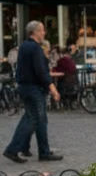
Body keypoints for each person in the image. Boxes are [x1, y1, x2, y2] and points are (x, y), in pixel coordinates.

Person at [3, 21, 62, 164]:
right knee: (33, 118)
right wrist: (52, 88)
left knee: (38, 119)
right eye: (42, 30)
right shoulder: (35, 48)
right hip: (34, 88)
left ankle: (43, 151)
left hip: (25, 87)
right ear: (34, 32)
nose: (44, 33)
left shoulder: (24, 46)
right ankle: (13, 149)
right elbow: (40, 71)